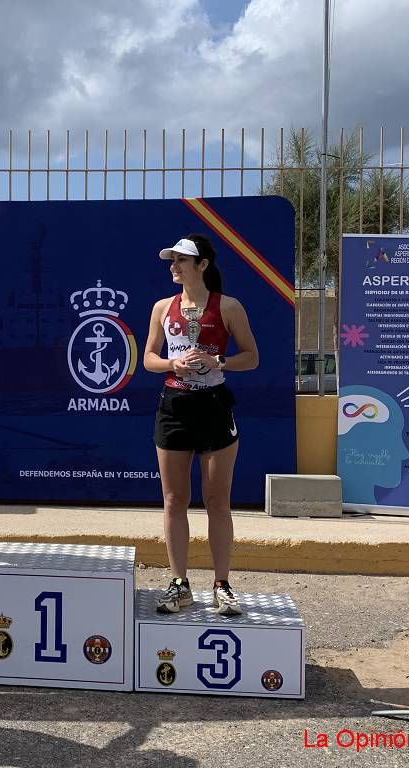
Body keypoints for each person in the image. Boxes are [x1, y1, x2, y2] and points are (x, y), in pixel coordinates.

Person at [143, 234, 259, 616]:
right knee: (175, 499)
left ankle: (222, 584)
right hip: (174, 406)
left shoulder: (229, 307)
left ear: (203, 265)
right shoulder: (162, 307)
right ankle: (179, 584)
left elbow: (251, 358)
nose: (174, 266)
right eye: (171, 260)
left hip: (214, 406)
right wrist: (172, 364)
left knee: (217, 500)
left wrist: (218, 362)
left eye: (182, 260)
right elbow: (148, 359)